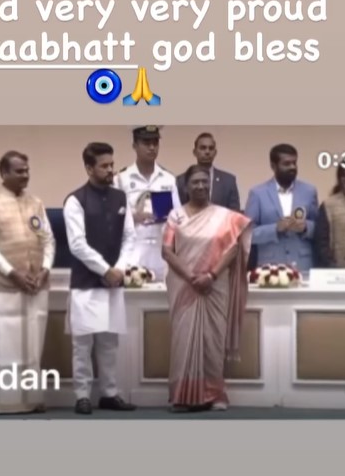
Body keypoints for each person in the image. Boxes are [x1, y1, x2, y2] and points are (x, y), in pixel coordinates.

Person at [161, 165, 252, 412]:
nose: (201, 186)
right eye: (195, 182)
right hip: (185, 286)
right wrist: (192, 277)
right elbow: (167, 251)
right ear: (186, 186)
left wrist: (211, 276)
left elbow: (234, 248)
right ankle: (182, 396)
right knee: (183, 341)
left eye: (204, 181)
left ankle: (214, 395)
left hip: (215, 286)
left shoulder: (224, 217)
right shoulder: (175, 216)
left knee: (213, 341)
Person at [0, 151, 56, 414]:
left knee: (32, 346)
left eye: (27, 170)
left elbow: (48, 240)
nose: (25, 175)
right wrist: (13, 274)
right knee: (4, 346)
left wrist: (45, 270)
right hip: (6, 285)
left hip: (36, 285)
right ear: (4, 173)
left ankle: (31, 399)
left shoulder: (36, 203)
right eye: (19, 171)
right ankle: (1, 402)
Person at [63, 142, 136, 415]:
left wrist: (119, 269)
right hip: (85, 284)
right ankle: (82, 395)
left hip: (114, 282)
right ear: (89, 168)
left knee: (109, 343)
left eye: (111, 164)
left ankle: (109, 393)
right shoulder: (75, 200)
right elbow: (77, 244)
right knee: (82, 344)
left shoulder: (121, 198)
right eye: (104, 166)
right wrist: (105, 270)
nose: (110, 170)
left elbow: (130, 237)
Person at [114, 126, 181, 281]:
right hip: (133, 252)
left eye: (155, 142)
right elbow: (113, 217)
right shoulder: (122, 179)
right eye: (146, 142)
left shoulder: (168, 179)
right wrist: (133, 216)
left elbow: (178, 217)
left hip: (161, 253)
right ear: (134, 145)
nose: (152, 147)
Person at [244, 144, 318, 272]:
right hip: (270, 267)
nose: (292, 167)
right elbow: (247, 234)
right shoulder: (258, 193)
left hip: (302, 265)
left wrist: (305, 227)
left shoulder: (309, 191)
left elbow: (319, 228)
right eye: (286, 164)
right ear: (273, 166)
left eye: (294, 163)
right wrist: (275, 229)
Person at [176, 132, 241, 210]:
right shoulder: (181, 181)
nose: (207, 152)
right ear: (195, 152)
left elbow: (235, 212)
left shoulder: (229, 181)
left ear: (215, 152)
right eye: (203, 148)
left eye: (211, 148)